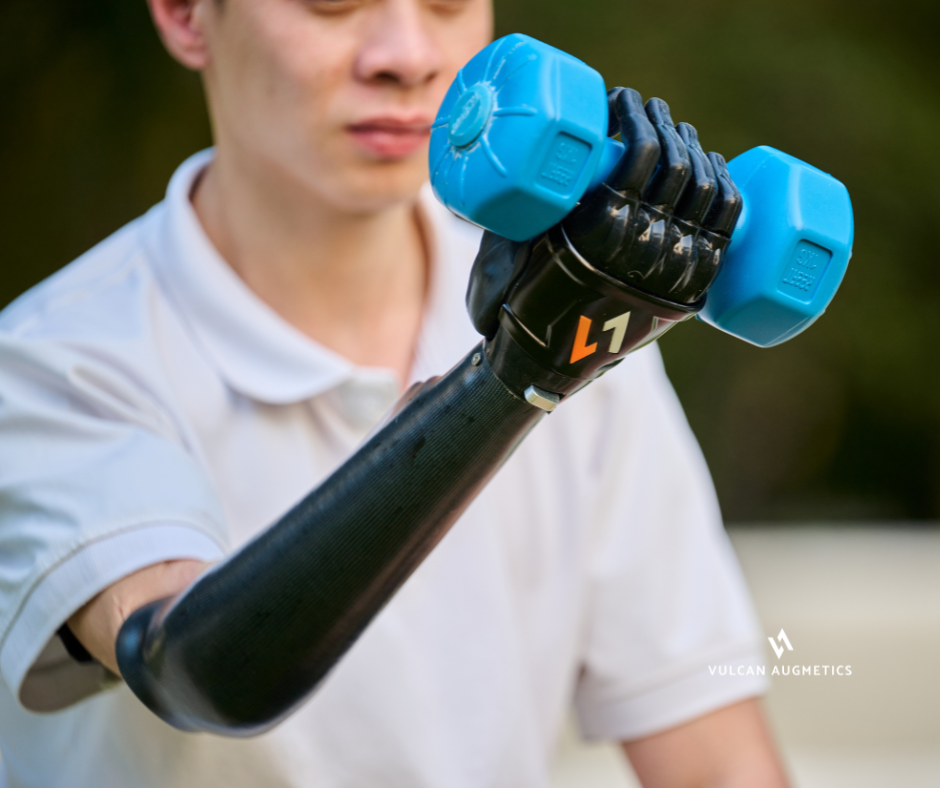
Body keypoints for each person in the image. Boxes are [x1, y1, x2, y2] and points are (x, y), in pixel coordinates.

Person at [0, 0, 789, 785]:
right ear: (183, 15)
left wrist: (543, 360)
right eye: (334, 3)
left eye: (447, 2)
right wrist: (514, 382)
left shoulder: (582, 312)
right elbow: (197, 670)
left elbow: (717, 766)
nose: (408, 55)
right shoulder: (52, 368)